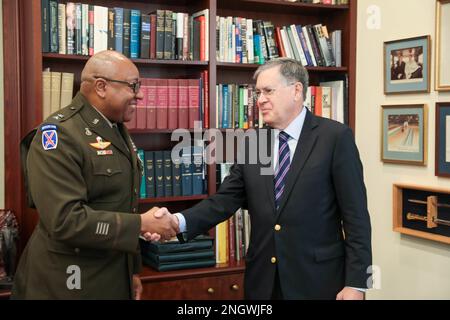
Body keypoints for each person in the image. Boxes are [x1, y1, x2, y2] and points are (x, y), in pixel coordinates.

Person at [154, 58, 372, 299]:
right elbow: (224, 200)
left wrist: (357, 284)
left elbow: (356, 218)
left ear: (296, 90)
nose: (260, 100)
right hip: (263, 282)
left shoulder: (335, 137)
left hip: (318, 281)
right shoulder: (253, 141)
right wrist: (176, 221)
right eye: (258, 92)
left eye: (268, 91)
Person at [12, 50, 178, 299]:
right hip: (67, 284)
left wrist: (131, 271)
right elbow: (65, 220)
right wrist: (141, 224)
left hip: (111, 275)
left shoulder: (115, 128)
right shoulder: (58, 136)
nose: (140, 94)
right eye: (133, 86)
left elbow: (125, 205)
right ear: (101, 87)